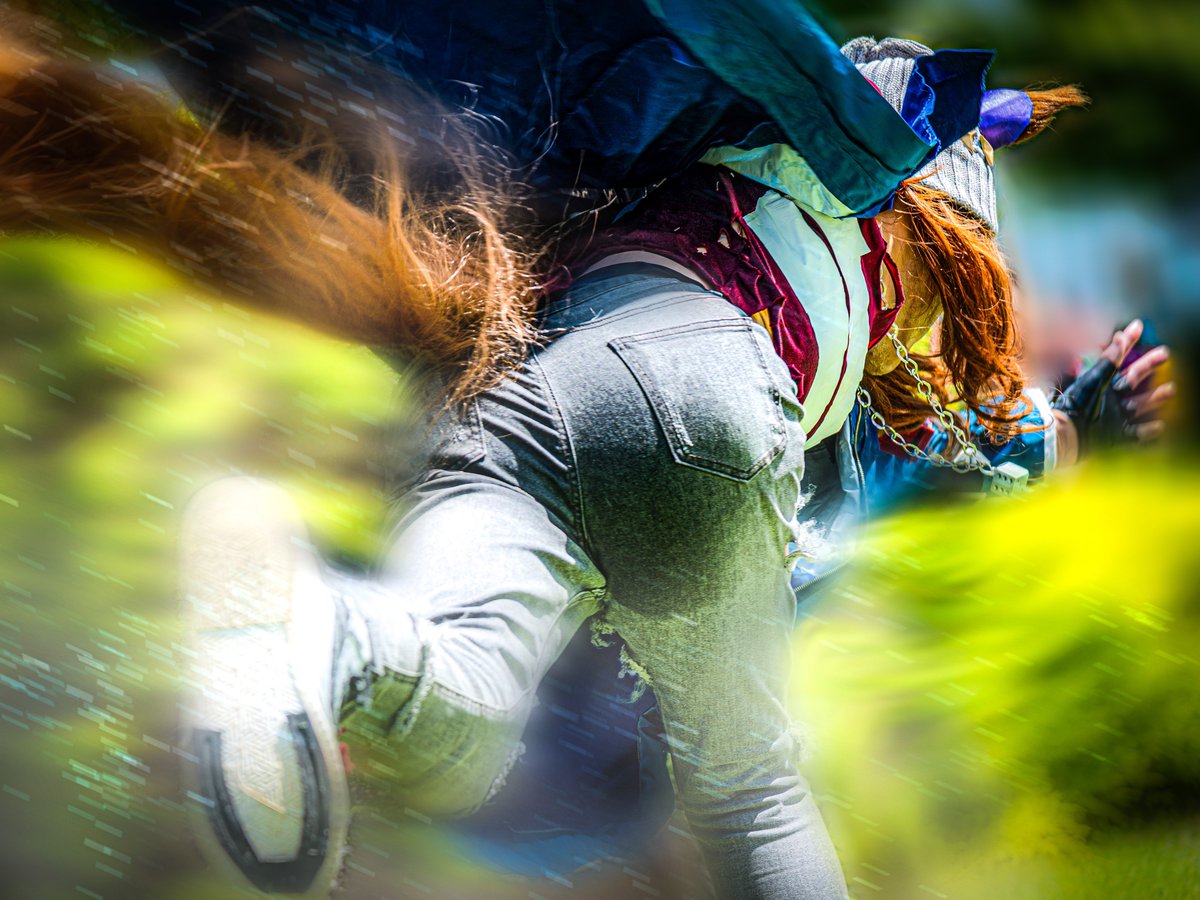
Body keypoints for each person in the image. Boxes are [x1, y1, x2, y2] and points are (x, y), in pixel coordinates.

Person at [0, 5, 1095, 897]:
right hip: (704, 379)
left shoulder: (673, 161)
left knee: (461, 709)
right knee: (750, 791)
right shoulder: (861, 183)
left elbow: (947, 444)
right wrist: (1066, 427)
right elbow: (986, 441)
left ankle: (321, 623)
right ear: (934, 228)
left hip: (523, 395)